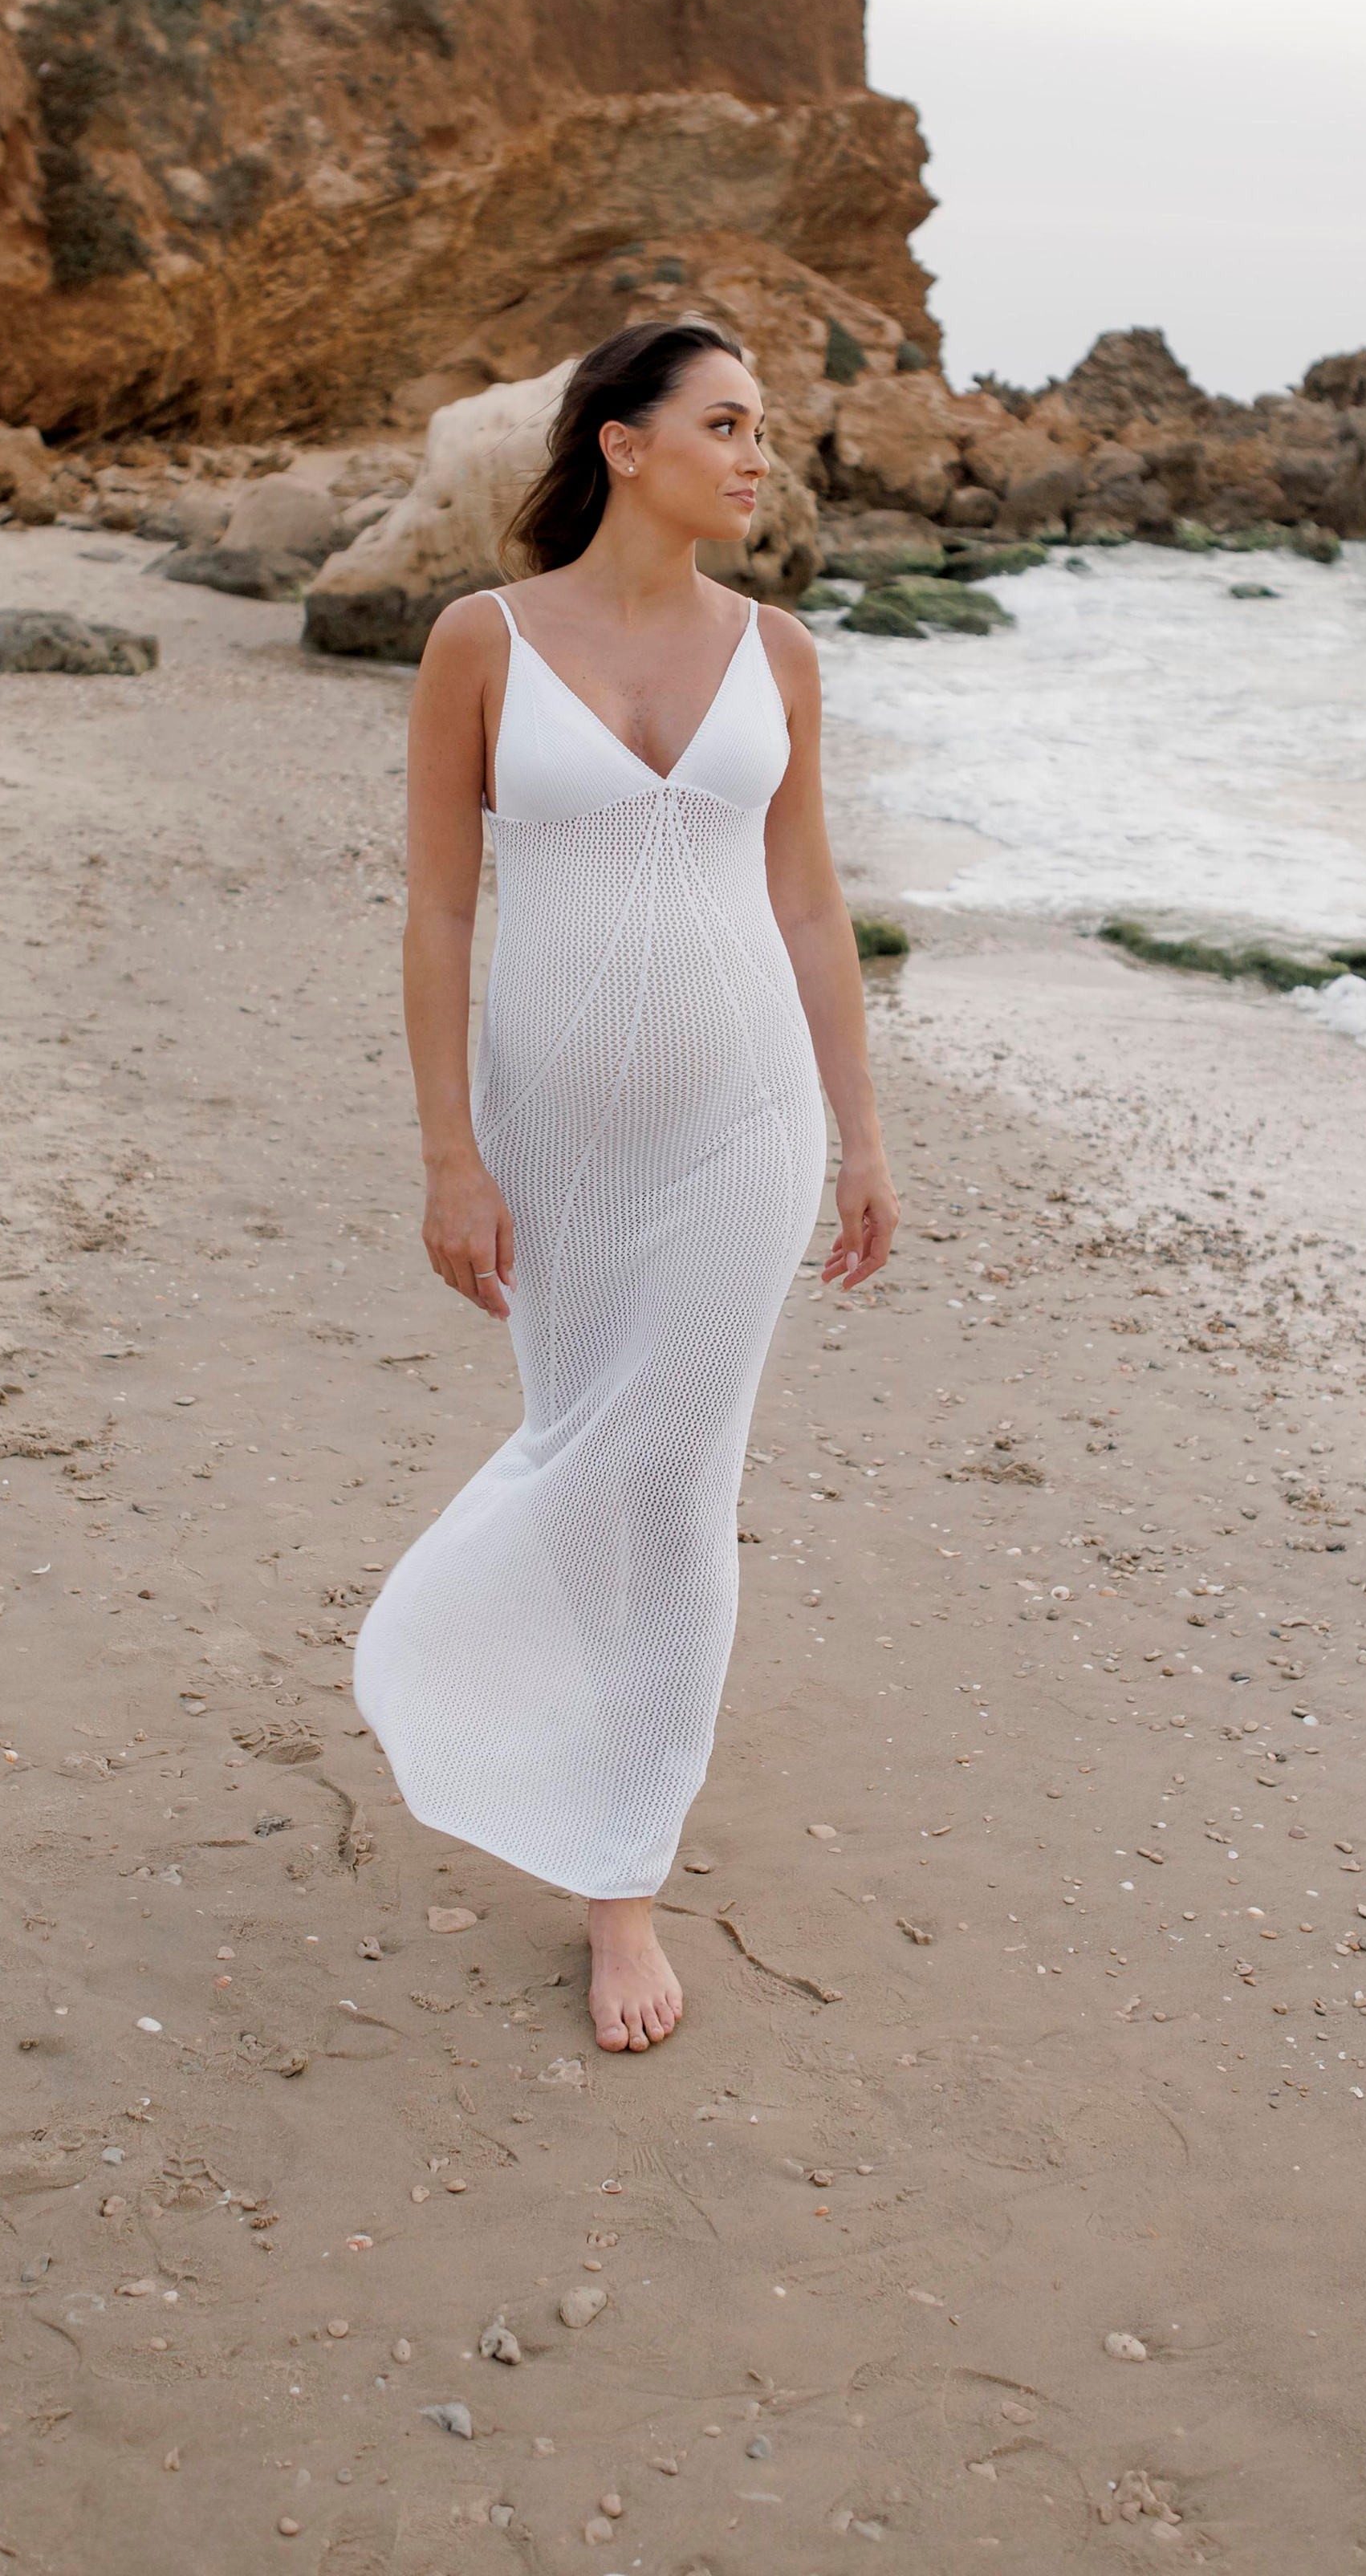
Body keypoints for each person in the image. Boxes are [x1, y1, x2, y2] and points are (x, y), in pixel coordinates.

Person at [353, 319, 899, 2052]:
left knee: (668, 1478)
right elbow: (442, 907)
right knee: (584, 1446)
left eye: (763, 428)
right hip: (557, 1135)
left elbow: (809, 904)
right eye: (724, 424)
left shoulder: (778, 651)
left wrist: (862, 1134)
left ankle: (621, 1875)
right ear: (622, 443)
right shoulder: (483, 640)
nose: (758, 457)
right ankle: (480, 1675)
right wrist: (448, 1152)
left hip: (747, 1122)